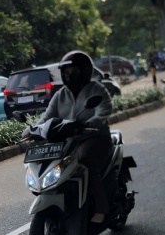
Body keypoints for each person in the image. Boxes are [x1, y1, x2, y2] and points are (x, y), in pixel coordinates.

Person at [36, 50, 113, 224]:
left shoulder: (97, 89)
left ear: (84, 71)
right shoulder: (60, 94)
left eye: (73, 72)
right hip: (68, 141)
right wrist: (35, 130)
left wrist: (92, 123)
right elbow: (47, 117)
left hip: (94, 138)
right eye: (66, 73)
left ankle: (101, 208)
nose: (69, 76)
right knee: (52, 163)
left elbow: (104, 111)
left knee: (85, 160)